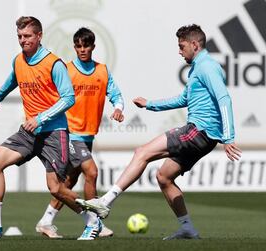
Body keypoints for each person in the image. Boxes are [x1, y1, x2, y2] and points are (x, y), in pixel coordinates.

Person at [76, 24, 242, 240]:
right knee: (164, 177)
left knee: (142, 152)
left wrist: (228, 137)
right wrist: (150, 104)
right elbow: (184, 99)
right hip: (203, 135)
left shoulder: (206, 67)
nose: (179, 51)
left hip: (199, 131)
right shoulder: (199, 67)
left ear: (194, 44)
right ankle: (187, 228)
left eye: (182, 46)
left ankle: (105, 202)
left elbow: (224, 98)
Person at [0, 16, 102, 241]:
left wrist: (41, 118)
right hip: (30, 133)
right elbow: (14, 79)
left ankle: (93, 222)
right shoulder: (19, 60)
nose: (23, 40)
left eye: (27, 36)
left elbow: (68, 98)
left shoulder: (54, 63)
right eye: (19, 37)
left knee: (56, 189)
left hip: (55, 132)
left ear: (39, 36)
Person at [35, 27, 125, 239]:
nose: (82, 49)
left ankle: (46, 221)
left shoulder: (102, 70)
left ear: (93, 46)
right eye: (78, 46)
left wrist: (119, 108)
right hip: (70, 132)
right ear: (74, 47)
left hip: (88, 135)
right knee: (92, 172)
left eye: (86, 45)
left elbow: (115, 93)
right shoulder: (66, 70)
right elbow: (52, 96)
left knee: (67, 183)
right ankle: (95, 224)